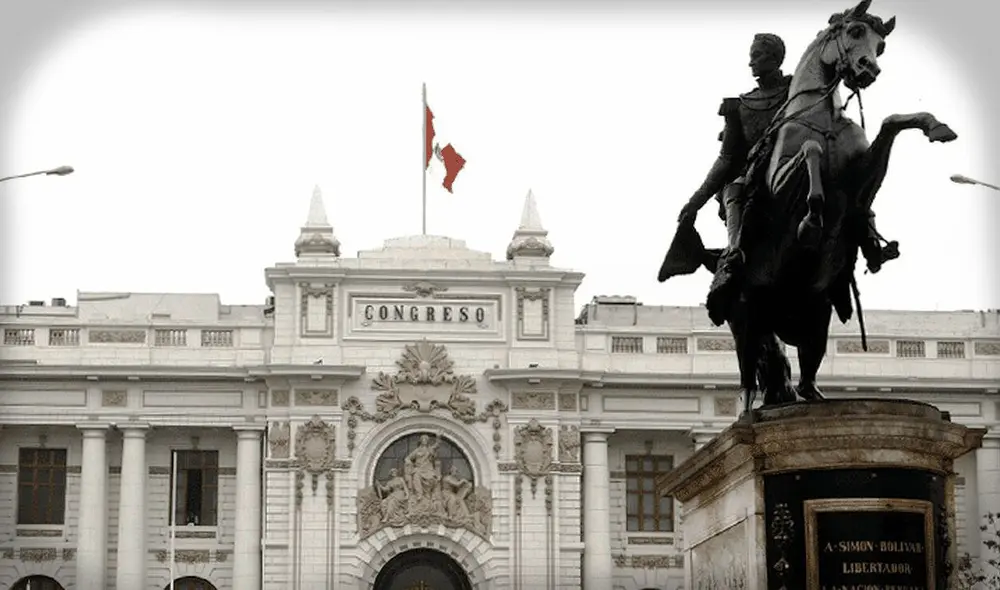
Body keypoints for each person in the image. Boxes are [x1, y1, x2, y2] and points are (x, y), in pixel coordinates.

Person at [677, 34, 897, 297]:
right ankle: (733, 255)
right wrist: (695, 202)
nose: (750, 62)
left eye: (756, 55)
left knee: (848, 183)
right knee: (734, 188)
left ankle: (871, 243)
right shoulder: (738, 106)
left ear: (774, 57)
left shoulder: (798, 90)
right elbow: (726, 159)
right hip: (756, 174)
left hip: (800, 161)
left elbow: (829, 96)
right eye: (752, 55)